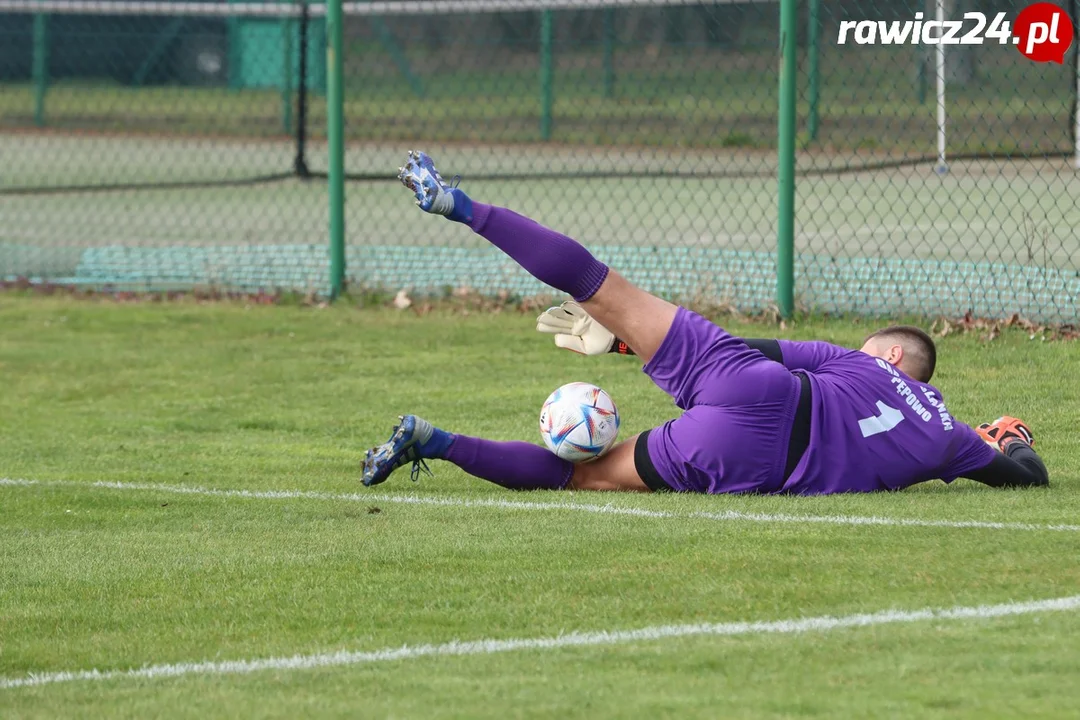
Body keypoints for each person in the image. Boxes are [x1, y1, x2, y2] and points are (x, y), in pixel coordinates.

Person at [361, 151, 1048, 495]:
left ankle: (459, 204)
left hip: (764, 385)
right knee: (588, 476)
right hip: (755, 452)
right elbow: (1026, 478)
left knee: (597, 283)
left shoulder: (859, 363)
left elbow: (762, 348)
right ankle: (436, 440)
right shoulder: (948, 435)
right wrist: (1009, 437)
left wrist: (627, 335)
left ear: (893, 356)